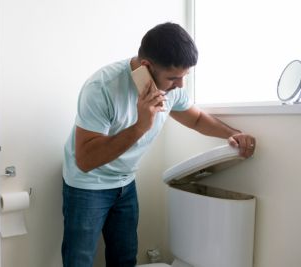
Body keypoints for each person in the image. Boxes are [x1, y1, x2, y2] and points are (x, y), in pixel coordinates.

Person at [61, 22, 256, 267]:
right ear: (146, 67)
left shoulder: (171, 87)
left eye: (185, 77)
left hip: (125, 183)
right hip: (87, 185)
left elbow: (195, 119)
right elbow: (86, 160)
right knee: (79, 260)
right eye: (174, 78)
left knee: (124, 258)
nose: (180, 86)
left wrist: (234, 133)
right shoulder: (102, 88)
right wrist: (141, 125)